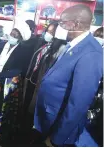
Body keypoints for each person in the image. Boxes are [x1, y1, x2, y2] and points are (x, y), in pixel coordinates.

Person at [33, 4, 103, 147]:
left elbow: (78, 104)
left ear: (76, 24)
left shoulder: (91, 53)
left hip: (58, 128)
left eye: (62, 22)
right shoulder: (73, 45)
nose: (59, 26)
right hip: (48, 118)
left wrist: (56, 139)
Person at [0, 20, 33, 145]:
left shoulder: (23, 51)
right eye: (12, 33)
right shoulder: (0, 44)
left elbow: (18, 70)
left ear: (20, 38)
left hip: (8, 84)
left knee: (2, 109)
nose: (13, 36)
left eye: (16, 35)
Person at [23, 21, 59, 113]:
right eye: (48, 31)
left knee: (32, 110)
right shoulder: (44, 45)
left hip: (39, 86)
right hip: (31, 80)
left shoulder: (58, 50)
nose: (48, 34)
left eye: (52, 32)